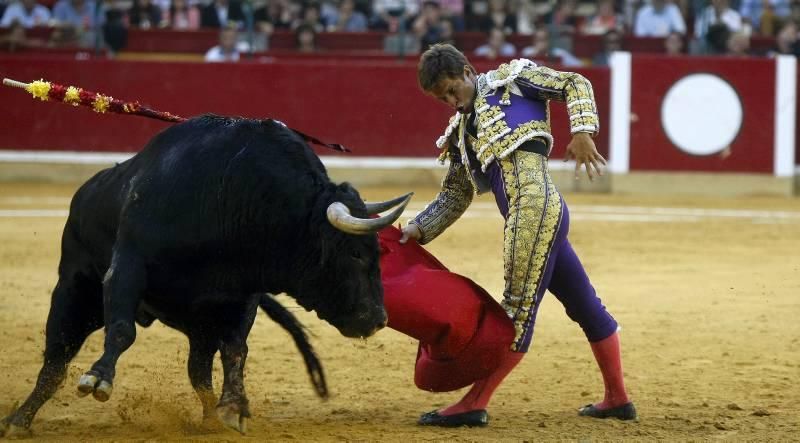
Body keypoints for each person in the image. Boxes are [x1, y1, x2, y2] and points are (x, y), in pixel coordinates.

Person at [400, 43, 635, 427]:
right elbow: (456, 194)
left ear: (467, 71)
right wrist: (417, 228)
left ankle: (475, 403)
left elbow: (574, 83)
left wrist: (583, 131)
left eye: (451, 90)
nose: (450, 101)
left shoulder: (514, 80)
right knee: (584, 304)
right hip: (531, 216)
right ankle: (618, 398)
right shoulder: (461, 132)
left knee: (516, 310)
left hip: (534, 209)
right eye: (441, 98)